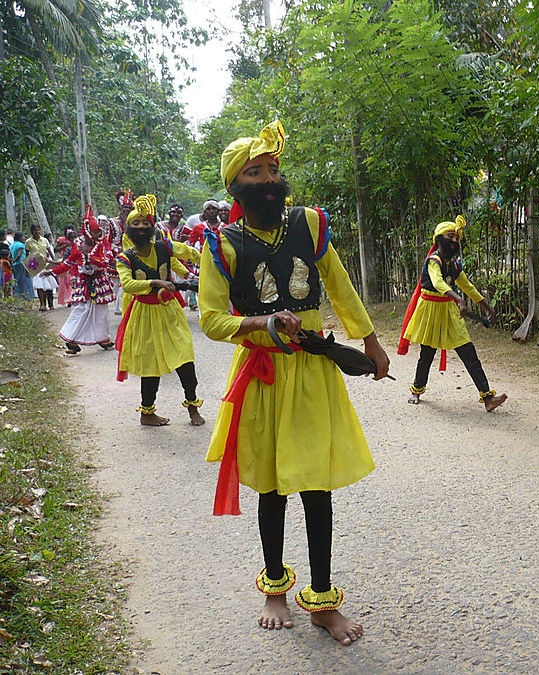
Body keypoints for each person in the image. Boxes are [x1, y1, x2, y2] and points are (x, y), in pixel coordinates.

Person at [199, 119, 390, 645]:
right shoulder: (222, 245)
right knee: (272, 486)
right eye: (254, 172)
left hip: (312, 371)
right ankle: (275, 588)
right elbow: (214, 320)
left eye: (272, 170)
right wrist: (261, 323)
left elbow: (339, 284)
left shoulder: (310, 223)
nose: (267, 179)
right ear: (234, 185)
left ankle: (323, 602)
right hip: (262, 375)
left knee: (316, 485)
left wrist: (369, 339)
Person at [398, 216, 507, 411]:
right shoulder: (434, 261)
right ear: (439, 239)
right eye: (450, 236)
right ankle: (417, 390)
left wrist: (488, 308)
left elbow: (468, 286)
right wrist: (458, 299)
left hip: (448, 310)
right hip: (430, 309)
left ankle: (488, 398)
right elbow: (438, 282)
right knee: (427, 354)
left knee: (468, 352)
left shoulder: (455, 265)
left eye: (457, 238)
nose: (454, 241)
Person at [114, 194, 204, 427]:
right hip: (143, 313)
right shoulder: (125, 258)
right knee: (150, 365)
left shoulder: (164, 246)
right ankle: (147, 413)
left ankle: (193, 407)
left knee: (185, 357)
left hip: (169, 310)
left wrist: (208, 263)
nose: (142, 228)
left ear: (152, 226)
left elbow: (188, 253)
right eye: (136, 224)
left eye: (145, 223)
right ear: (129, 228)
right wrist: (155, 283)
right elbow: (128, 285)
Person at [41, 206, 115, 354]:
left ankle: (103, 339)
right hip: (83, 282)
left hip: (99, 281)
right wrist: (52, 272)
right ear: (87, 230)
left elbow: (106, 261)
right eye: (95, 231)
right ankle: (71, 339)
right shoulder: (78, 244)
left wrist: (89, 257)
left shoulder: (102, 242)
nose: (97, 234)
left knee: (100, 311)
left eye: (98, 231)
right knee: (81, 310)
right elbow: (69, 262)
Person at [26, 224, 57, 310]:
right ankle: (42, 304)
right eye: (35, 230)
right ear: (32, 231)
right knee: (40, 285)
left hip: (45, 264)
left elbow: (49, 251)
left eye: (38, 230)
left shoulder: (44, 240)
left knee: (49, 284)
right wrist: (27, 268)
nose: (37, 232)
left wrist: (54, 262)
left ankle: (51, 304)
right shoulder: (28, 242)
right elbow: (27, 254)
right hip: (35, 265)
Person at [9, 231, 33, 301]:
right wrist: (16, 260)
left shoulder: (11, 246)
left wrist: (12, 262)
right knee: (24, 280)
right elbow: (20, 255)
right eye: (23, 237)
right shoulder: (21, 245)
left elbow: (9, 256)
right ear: (19, 238)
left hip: (15, 265)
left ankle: (17, 296)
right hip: (22, 264)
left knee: (17, 280)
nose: (24, 238)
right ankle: (26, 297)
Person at [55, 229, 76, 307]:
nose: (74, 239)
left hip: (77, 269)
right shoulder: (69, 249)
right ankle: (69, 299)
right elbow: (64, 260)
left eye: (75, 237)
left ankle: (71, 299)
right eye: (72, 238)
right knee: (67, 283)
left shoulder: (81, 247)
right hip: (69, 268)